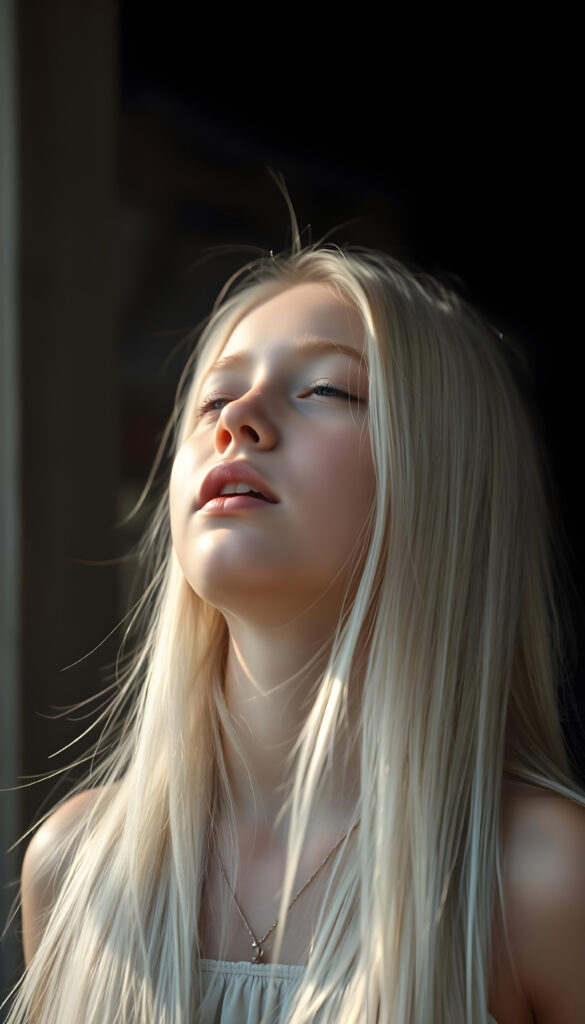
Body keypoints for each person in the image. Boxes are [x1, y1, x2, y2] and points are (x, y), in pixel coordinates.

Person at [8, 242, 585, 1023]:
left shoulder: (540, 880)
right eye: (213, 400)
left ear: (447, 484)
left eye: (323, 388)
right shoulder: (76, 869)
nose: (237, 421)